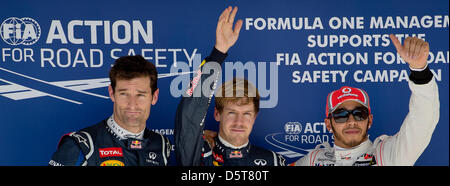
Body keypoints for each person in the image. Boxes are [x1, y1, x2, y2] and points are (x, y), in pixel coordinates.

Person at [291, 35, 439, 166]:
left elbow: (422, 120)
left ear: (369, 120)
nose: (351, 121)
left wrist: (420, 71)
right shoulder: (313, 160)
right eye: (341, 115)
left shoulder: (389, 155)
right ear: (329, 123)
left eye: (359, 113)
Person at [174, 6, 285, 166]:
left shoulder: (272, 161)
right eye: (232, 112)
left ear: (255, 117)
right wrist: (219, 52)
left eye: (246, 114)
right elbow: (189, 117)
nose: (239, 122)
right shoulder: (199, 153)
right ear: (217, 114)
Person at [49, 55, 171, 166]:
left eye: (140, 95)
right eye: (124, 94)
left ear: (154, 97)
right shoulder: (82, 146)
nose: (132, 104)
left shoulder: (161, 145)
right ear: (112, 93)